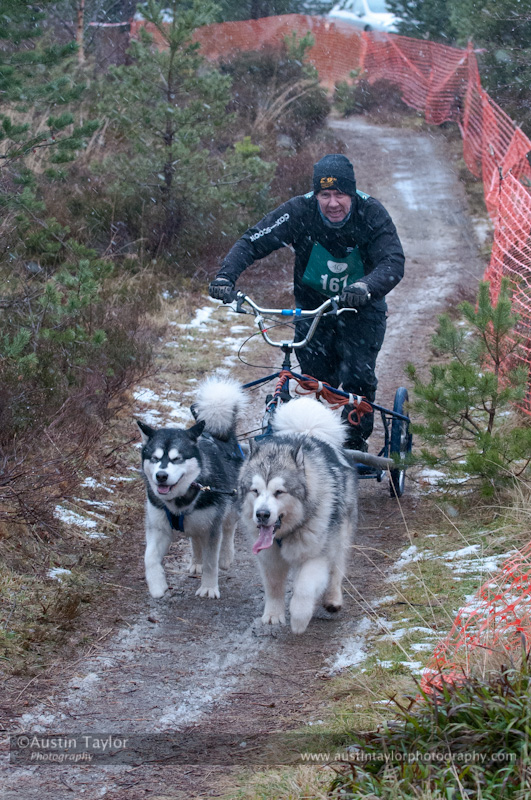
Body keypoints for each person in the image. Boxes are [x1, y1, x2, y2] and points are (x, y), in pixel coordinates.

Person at [208, 153, 405, 451]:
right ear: (315, 195)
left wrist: (364, 286)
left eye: (340, 194)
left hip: (361, 310)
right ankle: (311, 439)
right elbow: (252, 241)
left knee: (358, 378)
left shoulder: (371, 213)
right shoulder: (299, 211)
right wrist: (225, 278)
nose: (333, 203)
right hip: (313, 311)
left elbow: (393, 261)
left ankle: (353, 442)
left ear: (352, 193)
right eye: (325, 194)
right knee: (312, 381)